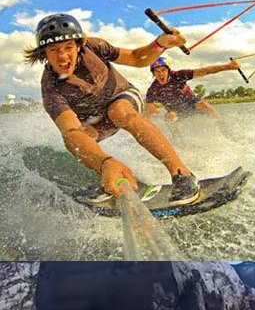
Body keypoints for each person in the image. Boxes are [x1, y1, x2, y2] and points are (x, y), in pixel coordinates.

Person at [23, 13, 200, 204]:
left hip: (124, 97)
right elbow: (71, 131)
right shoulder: (50, 87)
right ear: (44, 53)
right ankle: (108, 174)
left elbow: (135, 58)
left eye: (68, 47)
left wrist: (159, 44)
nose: (63, 56)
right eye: (54, 50)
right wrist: (105, 162)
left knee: (118, 111)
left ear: (78, 45)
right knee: (77, 139)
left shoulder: (94, 47)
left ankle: (182, 173)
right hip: (97, 120)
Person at [146, 56, 241, 135]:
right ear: (153, 73)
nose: (161, 74)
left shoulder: (178, 76)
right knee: (169, 116)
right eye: (157, 71)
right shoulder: (153, 90)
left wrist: (228, 66)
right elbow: (147, 112)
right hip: (176, 110)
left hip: (192, 103)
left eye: (163, 70)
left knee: (204, 105)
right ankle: (178, 141)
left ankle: (226, 131)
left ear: (168, 71)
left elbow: (205, 71)